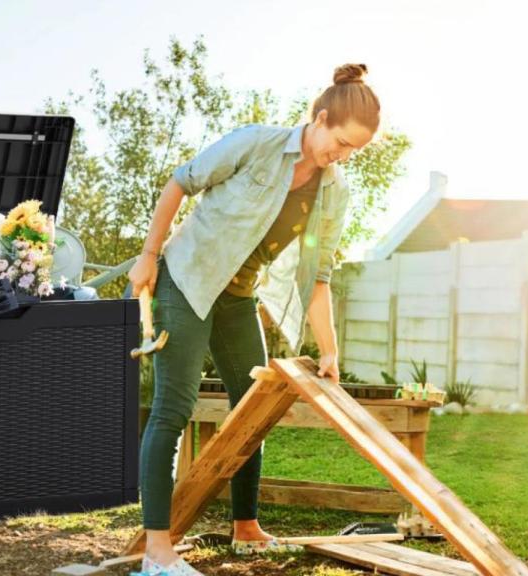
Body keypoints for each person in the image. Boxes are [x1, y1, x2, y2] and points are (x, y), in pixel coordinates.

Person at [127, 63, 380, 575]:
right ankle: (157, 550)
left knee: (253, 409)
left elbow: (319, 276)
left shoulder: (335, 193)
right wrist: (149, 255)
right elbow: (181, 183)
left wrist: (330, 350)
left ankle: (245, 527)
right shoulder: (255, 143)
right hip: (188, 281)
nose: (343, 155)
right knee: (173, 409)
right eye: (342, 141)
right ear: (321, 117)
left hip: (237, 298)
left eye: (355, 150)